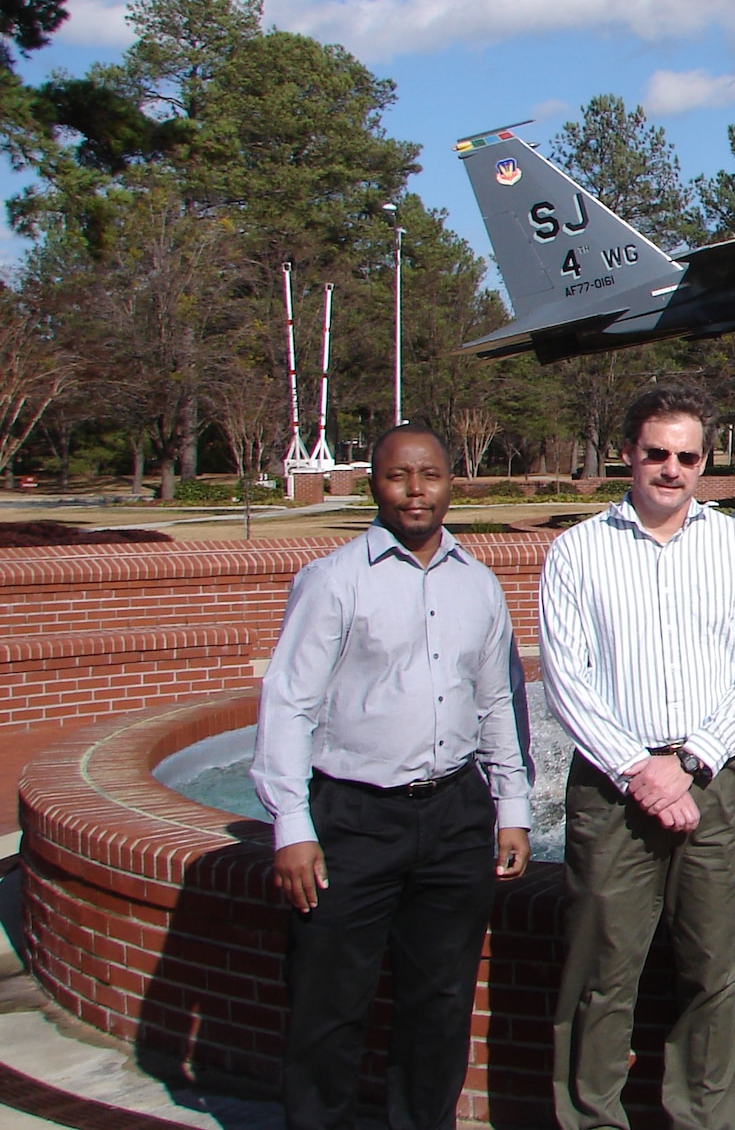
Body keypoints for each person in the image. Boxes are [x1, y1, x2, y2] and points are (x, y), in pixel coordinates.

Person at [252, 424, 532, 1130]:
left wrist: (512, 807)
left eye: (430, 475)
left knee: (438, 1007)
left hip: (453, 816)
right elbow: (289, 704)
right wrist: (291, 825)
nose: (416, 490)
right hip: (353, 818)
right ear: (374, 482)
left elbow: (498, 700)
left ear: (449, 483)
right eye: (399, 475)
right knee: (328, 1006)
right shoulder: (332, 581)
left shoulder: (479, 583)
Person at [540, 385, 735, 1130]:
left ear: (704, 461)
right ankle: (591, 1119)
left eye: (687, 456)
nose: (671, 468)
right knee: (601, 971)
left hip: (713, 782)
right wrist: (639, 769)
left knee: (717, 973)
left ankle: (701, 1121)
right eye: (657, 453)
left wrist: (691, 761)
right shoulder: (578, 551)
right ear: (629, 453)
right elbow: (566, 678)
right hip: (613, 788)